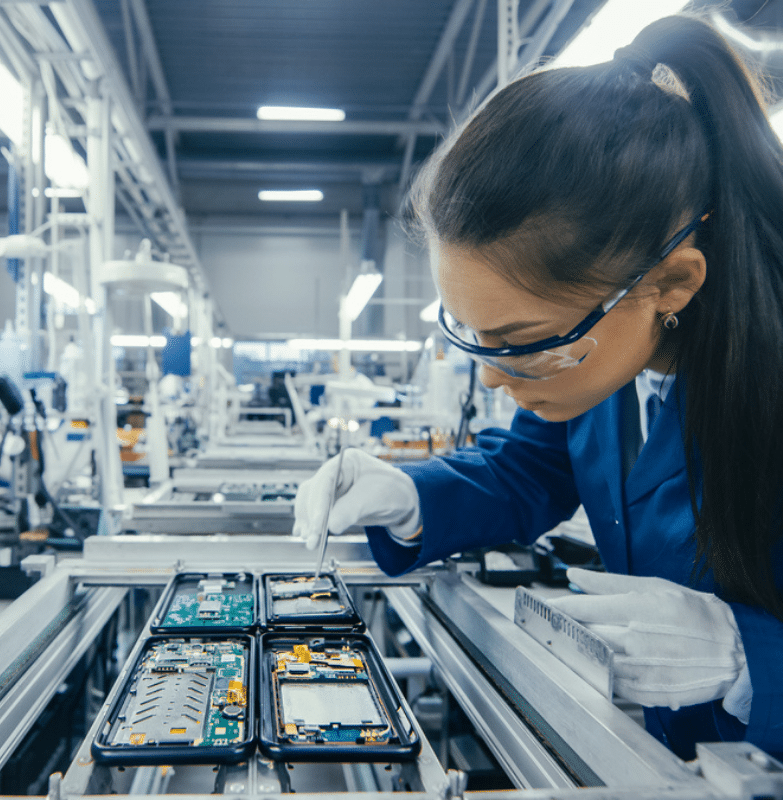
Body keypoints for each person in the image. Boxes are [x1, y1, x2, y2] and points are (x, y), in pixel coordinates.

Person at [293, 14, 783, 761]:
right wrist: (412, 496)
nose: (493, 375)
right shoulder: (607, 360)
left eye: (520, 341)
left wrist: (754, 660)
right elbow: (532, 466)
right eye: (473, 333)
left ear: (672, 283)